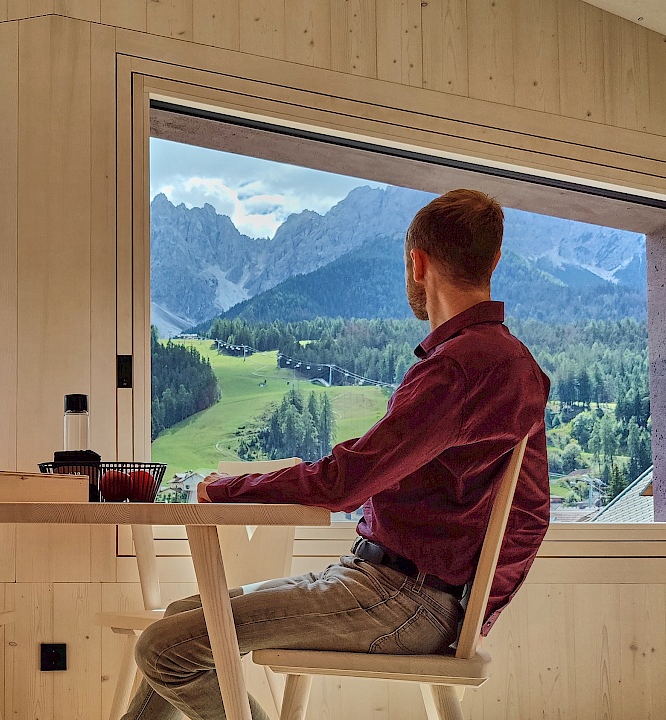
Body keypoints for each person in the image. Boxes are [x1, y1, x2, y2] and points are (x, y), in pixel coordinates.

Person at [123, 189, 551, 720]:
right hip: (396, 586)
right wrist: (473, 612)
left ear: (417, 263)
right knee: (181, 617)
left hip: (403, 595)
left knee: (163, 648)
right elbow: (531, 514)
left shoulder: (459, 369)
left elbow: (344, 482)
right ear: (494, 260)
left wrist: (225, 488)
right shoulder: (510, 364)